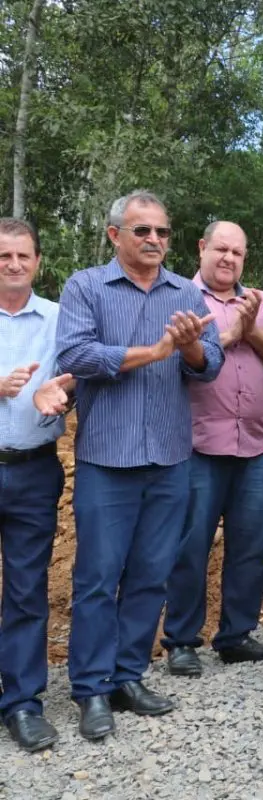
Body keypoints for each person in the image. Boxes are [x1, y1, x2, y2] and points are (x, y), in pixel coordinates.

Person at [56, 190, 224, 740]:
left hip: (169, 459)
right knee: (99, 580)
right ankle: (91, 689)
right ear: (114, 236)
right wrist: (152, 352)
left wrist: (191, 349)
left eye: (162, 232)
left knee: (151, 576)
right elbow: (76, 356)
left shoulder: (185, 292)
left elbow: (210, 364)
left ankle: (128, 676)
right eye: (142, 231)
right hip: (108, 458)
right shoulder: (86, 287)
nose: (154, 240)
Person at [161, 221, 263, 677]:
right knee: (190, 546)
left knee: (252, 546)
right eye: (221, 249)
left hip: (255, 444)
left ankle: (236, 635)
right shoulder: (177, 296)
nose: (228, 259)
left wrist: (251, 328)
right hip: (197, 444)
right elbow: (173, 359)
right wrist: (231, 333)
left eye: (237, 252)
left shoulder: (260, 301)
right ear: (202, 248)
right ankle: (181, 640)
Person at [0, 218, 72, 752]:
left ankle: (23, 704)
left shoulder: (58, 319)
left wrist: (61, 389)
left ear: (38, 262)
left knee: (26, 593)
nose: (14, 264)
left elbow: (83, 369)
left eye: (23, 255)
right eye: (4, 256)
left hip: (33, 469)